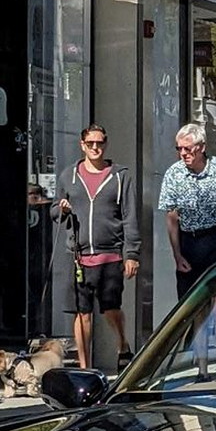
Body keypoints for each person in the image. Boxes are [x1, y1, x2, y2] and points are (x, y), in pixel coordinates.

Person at [58, 125, 139, 370]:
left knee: (110, 309)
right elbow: (55, 210)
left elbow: (130, 216)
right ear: (82, 145)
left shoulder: (120, 175)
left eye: (100, 143)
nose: (96, 147)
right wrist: (60, 209)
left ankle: (122, 344)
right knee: (82, 313)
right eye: (91, 143)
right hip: (79, 255)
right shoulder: (68, 175)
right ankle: (84, 367)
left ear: (106, 144)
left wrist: (132, 253)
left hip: (110, 254)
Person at [159, 120, 216, 282]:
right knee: (190, 299)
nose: (183, 153)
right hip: (189, 243)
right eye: (179, 149)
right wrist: (177, 255)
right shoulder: (173, 173)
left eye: (188, 148)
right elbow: (172, 216)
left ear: (202, 147)